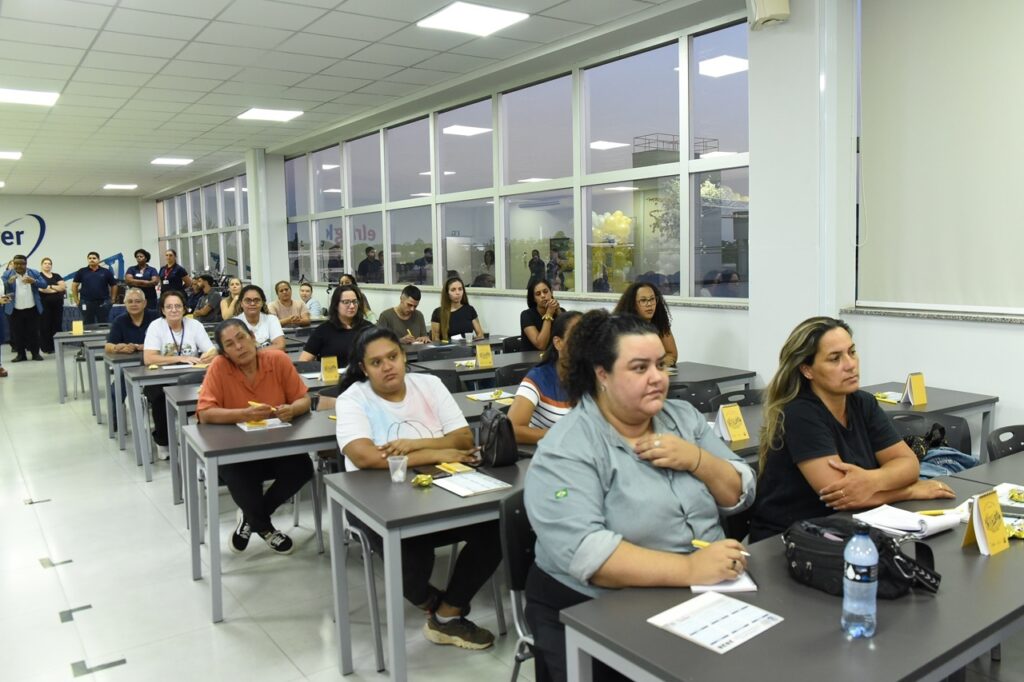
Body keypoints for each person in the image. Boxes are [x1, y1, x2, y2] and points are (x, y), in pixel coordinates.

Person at [524, 310, 755, 681]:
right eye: (639, 368)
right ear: (602, 373)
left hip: (702, 590)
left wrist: (697, 459)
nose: (657, 379)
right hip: (598, 608)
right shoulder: (567, 447)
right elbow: (590, 552)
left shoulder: (683, 418)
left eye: (660, 365)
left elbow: (739, 492)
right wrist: (691, 568)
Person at [334, 326, 500, 650]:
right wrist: (436, 451)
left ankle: (448, 615)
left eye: (393, 357)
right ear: (363, 368)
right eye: (377, 362)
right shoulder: (353, 399)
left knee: (498, 523)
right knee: (412, 563)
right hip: (377, 503)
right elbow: (364, 455)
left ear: (404, 354)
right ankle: (432, 602)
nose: (388, 367)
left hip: (444, 489)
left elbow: (464, 439)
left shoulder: (429, 384)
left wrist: (412, 445)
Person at [748, 316, 955, 542]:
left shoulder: (863, 402)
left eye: (852, 352)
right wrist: (909, 491)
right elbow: (842, 495)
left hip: (848, 525)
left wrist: (871, 481)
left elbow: (908, 465)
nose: (850, 364)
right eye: (835, 358)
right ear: (807, 370)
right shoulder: (800, 414)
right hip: (786, 540)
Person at [197, 319, 313, 555]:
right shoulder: (219, 367)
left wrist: (293, 409)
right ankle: (266, 528)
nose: (238, 346)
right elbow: (205, 413)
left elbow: (304, 400)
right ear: (224, 352)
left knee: (302, 468)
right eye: (229, 344)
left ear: (252, 336)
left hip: (277, 444)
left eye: (241, 338)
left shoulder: (277, 360)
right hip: (236, 450)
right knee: (241, 476)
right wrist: (243, 414)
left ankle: (251, 518)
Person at [143, 289, 217, 459]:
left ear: (184, 309)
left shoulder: (195, 325)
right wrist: (181, 358)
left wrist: (209, 355)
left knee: (211, 394)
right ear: (162, 310)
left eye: (178, 306)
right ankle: (163, 441)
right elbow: (149, 358)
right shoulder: (156, 326)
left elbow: (211, 350)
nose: (174, 310)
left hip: (191, 376)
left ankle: (202, 439)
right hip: (161, 378)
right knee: (161, 398)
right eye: (169, 307)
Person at [509, 311, 581, 445]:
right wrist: (563, 436)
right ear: (558, 343)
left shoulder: (596, 378)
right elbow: (513, 429)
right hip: (548, 457)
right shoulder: (538, 378)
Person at [105, 288, 158, 428]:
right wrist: (118, 347)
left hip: (155, 365)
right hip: (130, 368)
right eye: (130, 301)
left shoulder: (156, 317)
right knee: (115, 390)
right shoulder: (119, 321)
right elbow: (108, 346)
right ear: (125, 304)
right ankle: (117, 424)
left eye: (137, 301)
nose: (134, 304)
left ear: (145, 303)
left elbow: (168, 341)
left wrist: (145, 346)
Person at [297, 285, 372, 366]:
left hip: (363, 377)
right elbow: (303, 361)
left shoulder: (369, 329)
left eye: (354, 301)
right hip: (331, 377)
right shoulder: (323, 331)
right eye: (346, 302)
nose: (352, 306)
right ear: (336, 305)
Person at [613, 282, 677, 366]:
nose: (649, 304)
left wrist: (655, 364)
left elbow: (672, 354)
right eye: (643, 300)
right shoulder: (622, 327)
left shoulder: (660, 322)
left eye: (652, 299)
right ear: (633, 304)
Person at [3, 254, 47, 362]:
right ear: (13, 264)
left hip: (32, 308)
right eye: (16, 263)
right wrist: (8, 282)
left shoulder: (34, 273)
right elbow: (1, 286)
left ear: (26, 264)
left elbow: (44, 284)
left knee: (34, 333)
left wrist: (34, 281)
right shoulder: (7, 274)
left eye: (21, 263)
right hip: (15, 310)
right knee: (18, 333)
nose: (18, 266)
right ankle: (21, 355)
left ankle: (35, 354)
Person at [430, 276, 484, 342]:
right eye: (453, 290)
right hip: (448, 350)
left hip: (467, 349)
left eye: (460, 289)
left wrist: (473, 340)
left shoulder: (469, 310)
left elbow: (480, 335)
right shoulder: (438, 312)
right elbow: (435, 340)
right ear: (447, 293)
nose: (457, 293)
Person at [234, 284, 285, 350]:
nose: (252, 303)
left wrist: (254, 351)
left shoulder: (271, 319)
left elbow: (280, 346)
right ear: (241, 303)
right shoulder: (234, 323)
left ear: (262, 303)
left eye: (256, 300)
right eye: (248, 300)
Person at [71, 251, 117, 325]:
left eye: (94, 258)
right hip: (86, 302)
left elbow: (114, 285)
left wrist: (113, 299)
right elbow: (74, 286)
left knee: (103, 324)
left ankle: (103, 336)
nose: (91, 260)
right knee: (88, 324)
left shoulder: (106, 272)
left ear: (98, 260)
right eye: (89, 258)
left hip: (103, 303)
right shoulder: (82, 271)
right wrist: (76, 300)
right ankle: (89, 337)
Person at [520, 278, 562, 351]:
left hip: (554, 358)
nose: (543, 296)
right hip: (532, 359)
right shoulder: (527, 315)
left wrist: (558, 311)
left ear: (551, 292)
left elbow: (570, 337)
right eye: (538, 294)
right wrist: (549, 314)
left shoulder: (560, 311)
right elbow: (541, 345)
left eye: (545, 292)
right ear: (534, 298)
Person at [38, 257, 66, 354]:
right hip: (44, 305)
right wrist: (55, 289)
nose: (47, 265)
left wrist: (50, 286)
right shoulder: (39, 276)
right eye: (45, 263)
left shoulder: (56, 275)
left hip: (58, 305)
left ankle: (57, 346)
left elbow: (63, 287)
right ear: (41, 265)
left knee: (57, 325)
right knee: (46, 326)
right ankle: (47, 348)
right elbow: (42, 289)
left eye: (49, 263)